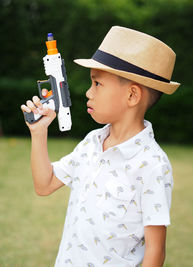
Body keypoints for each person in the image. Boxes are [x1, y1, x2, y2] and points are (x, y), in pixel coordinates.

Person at [21, 26, 180, 267]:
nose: (88, 92)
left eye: (97, 84)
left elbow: (155, 252)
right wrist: (39, 131)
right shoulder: (91, 143)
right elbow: (44, 185)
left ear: (132, 96)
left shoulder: (152, 165)